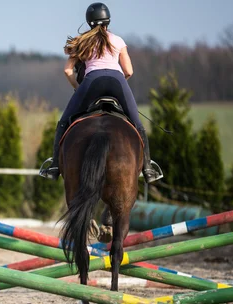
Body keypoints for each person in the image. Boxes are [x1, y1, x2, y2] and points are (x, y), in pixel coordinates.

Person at [39, 2, 163, 183]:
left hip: (91, 82)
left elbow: (67, 71)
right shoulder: (118, 40)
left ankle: (55, 166)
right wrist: (118, 89)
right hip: (117, 81)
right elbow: (128, 71)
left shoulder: (81, 40)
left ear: (89, 21)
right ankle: (148, 167)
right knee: (136, 122)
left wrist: (78, 88)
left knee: (64, 121)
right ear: (108, 20)